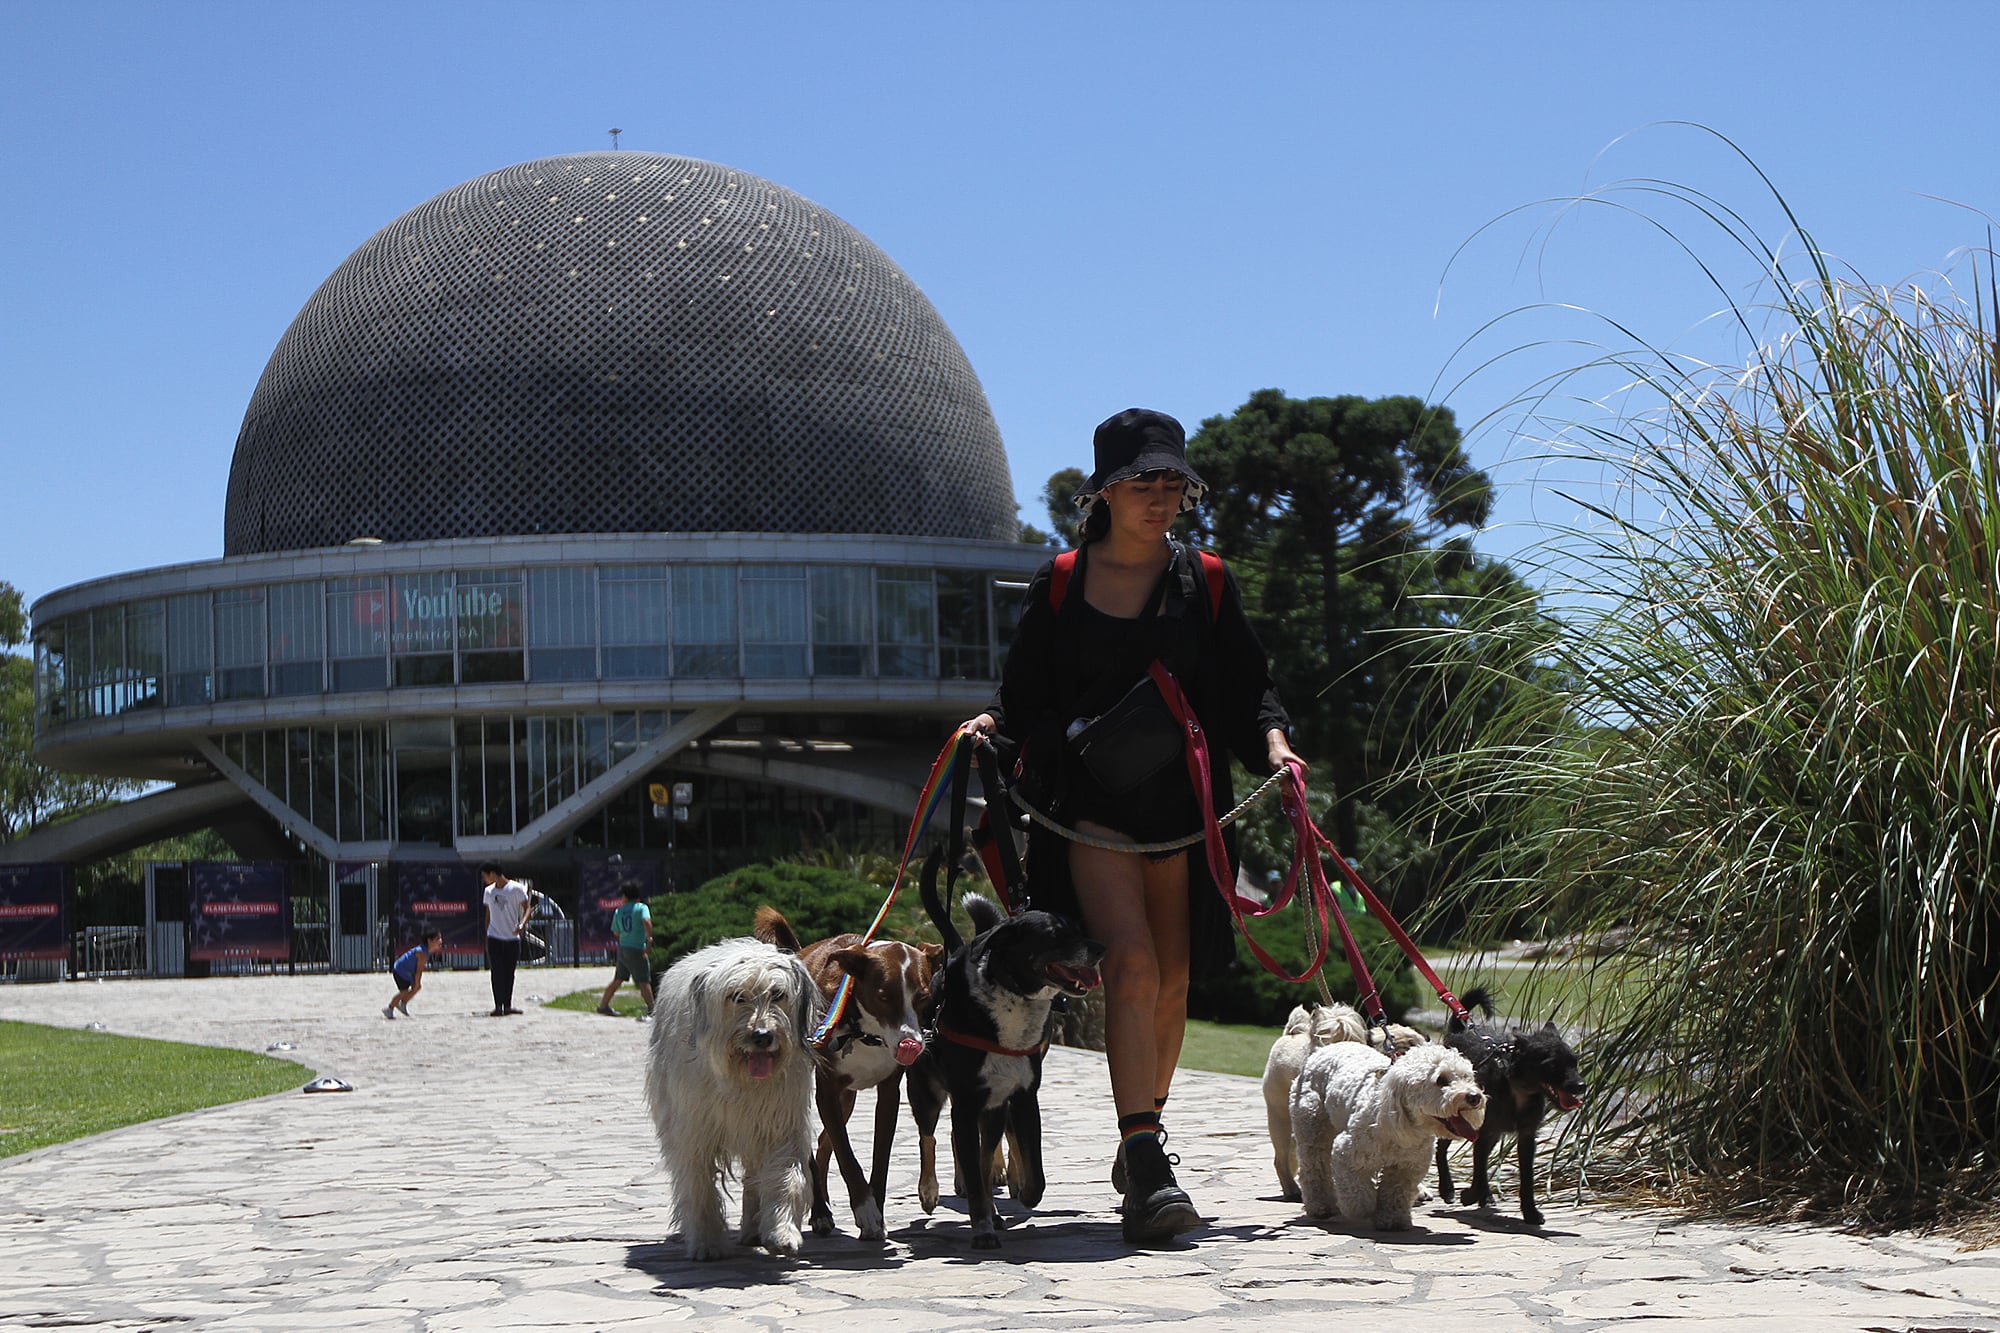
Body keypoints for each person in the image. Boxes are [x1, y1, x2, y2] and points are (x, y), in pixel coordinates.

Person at [963, 407, 1304, 1244]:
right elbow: (1021, 692)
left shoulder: (1207, 580)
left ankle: (1140, 1129)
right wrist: (990, 725)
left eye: (1172, 484)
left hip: (1184, 810)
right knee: (1133, 962)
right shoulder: (1061, 580)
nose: (1160, 498)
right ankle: (1148, 1162)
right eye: (1142, 482)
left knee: (1176, 981)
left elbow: (1249, 687)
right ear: (1105, 494)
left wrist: (1275, 742)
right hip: (1090, 809)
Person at [480, 861, 532, 1017]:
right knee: (496, 972)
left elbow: (527, 908)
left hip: (512, 938)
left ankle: (507, 1005)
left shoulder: (516, 888)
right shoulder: (488, 891)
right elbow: (488, 914)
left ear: (493, 874)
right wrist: (486, 934)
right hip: (494, 937)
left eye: (485, 876)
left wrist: (522, 924)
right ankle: (498, 1006)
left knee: (509, 973)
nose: (484, 879)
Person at [597, 883, 656, 1017]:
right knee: (644, 980)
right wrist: (649, 938)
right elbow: (647, 921)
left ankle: (603, 1005)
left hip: (623, 948)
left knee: (618, 979)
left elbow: (616, 932)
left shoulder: (619, 911)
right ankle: (653, 1010)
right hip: (637, 948)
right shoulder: (641, 908)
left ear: (624, 896)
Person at [383, 929, 443, 1019]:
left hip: (408, 971)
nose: (440, 941)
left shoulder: (426, 951)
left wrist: (416, 984)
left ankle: (402, 1004)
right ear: (429, 941)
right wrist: (417, 982)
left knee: (416, 987)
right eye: (437, 939)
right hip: (400, 970)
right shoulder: (422, 952)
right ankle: (389, 1008)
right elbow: (419, 971)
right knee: (404, 991)